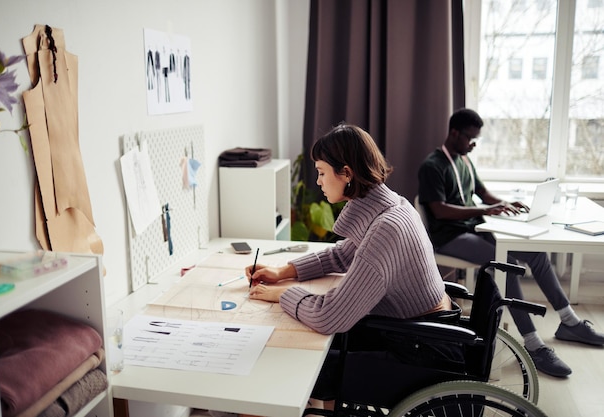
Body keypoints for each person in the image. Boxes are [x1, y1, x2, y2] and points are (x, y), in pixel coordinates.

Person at [209, 123, 459, 417]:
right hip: (420, 331)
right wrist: (283, 271)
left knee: (292, 360)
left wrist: (283, 293)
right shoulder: (390, 206)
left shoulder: (386, 227)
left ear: (347, 173)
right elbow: (343, 255)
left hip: (419, 350)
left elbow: (329, 316)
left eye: (322, 172)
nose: (318, 181)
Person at [417, 107, 604, 378]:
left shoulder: (464, 160)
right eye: (470, 138)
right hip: (449, 237)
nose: (473, 144)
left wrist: (501, 203)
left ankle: (569, 321)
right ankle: (533, 344)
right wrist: (484, 211)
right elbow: (440, 210)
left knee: (535, 254)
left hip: (475, 228)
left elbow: (481, 192)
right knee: (507, 263)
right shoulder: (432, 165)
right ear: (454, 133)